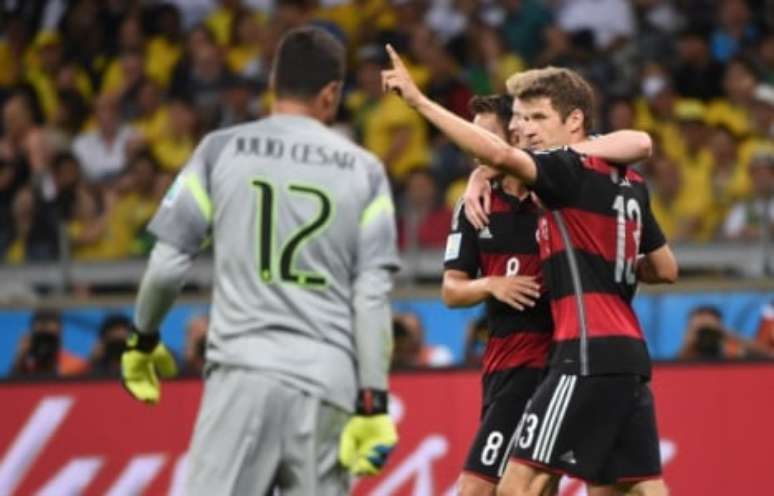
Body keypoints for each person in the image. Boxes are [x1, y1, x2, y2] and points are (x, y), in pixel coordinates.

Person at [383, 50, 678, 495]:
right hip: (630, 354)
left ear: (574, 120)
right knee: (632, 487)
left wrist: (420, 103)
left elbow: (504, 152)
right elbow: (664, 268)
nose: (525, 128)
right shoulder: (629, 181)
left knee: (518, 484)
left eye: (537, 117)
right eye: (520, 118)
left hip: (583, 352)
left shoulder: (564, 172)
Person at [121, 27, 399, 494]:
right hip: (326, 381)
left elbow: (168, 265)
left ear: (272, 80)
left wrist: (143, 338)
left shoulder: (219, 151)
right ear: (331, 93)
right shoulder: (366, 171)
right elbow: (371, 298)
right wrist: (373, 404)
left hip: (241, 374)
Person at [442, 94, 658, 495]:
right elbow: (451, 290)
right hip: (504, 366)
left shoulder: (557, 191)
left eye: (484, 136)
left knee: (483, 486)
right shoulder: (476, 204)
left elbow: (634, 145)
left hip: (554, 363)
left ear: (514, 136)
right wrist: (491, 284)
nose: (475, 148)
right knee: (611, 484)